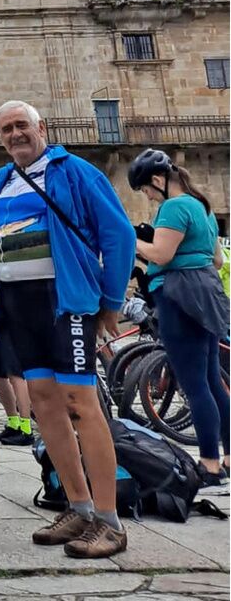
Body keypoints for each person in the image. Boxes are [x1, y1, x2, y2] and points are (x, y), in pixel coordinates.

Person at [0, 100, 135, 559]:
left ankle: (109, 521)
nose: (15, 134)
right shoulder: (0, 179)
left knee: (79, 403)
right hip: (20, 304)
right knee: (44, 404)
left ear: (41, 128)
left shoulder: (74, 170)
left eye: (22, 125)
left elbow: (119, 235)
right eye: (7, 129)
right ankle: (78, 506)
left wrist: (110, 303)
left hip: (64, 301)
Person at [128, 148, 229, 486]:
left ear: (158, 180)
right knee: (214, 382)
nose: (148, 197)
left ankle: (209, 465)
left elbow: (161, 253)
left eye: (146, 190)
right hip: (206, 292)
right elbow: (215, 260)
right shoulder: (203, 208)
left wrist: (133, 239)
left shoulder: (173, 207)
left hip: (178, 295)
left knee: (194, 384)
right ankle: (226, 457)